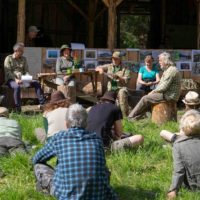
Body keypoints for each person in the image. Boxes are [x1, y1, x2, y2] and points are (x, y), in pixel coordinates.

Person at [32, 104, 118, 199]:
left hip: (66, 196)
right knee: (104, 170)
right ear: (86, 123)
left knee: (38, 166)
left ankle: (45, 187)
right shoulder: (97, 140)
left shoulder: (59, 138)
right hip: (98, 196)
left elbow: (37, 158)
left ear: (66, 123)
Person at [128, 52, 181, 120]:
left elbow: (164, 87)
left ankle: (131, 116)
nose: (159, 62)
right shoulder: (168, 70)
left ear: (165, 61)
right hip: (167, 94)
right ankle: (138, 117)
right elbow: (161, 84)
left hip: (169, 96)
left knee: (145, 98)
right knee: (147, 98)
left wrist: (153, 91)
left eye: (160, 60)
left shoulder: (171, 70)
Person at [165, 110, 200, 199]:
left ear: (183, 128)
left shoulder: (178, 145)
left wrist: (173, 190)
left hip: (196, 186)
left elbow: (179, 170)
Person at [4, 42, 46, 112]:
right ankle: (18, 108)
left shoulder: (24, 59)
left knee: (36, 83)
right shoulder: (8, 58)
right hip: (11, 80)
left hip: (22, 79)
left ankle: (43, 104)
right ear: (16, 50)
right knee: (17, 86)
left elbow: (26, 71)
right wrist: (16, 80)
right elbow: (8, 72)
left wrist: (27, 77)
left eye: (23, 51)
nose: (23, 52)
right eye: (21, 51)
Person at [96, 51, 131, 117]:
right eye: (113, 58)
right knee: (106, 99)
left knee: (122, 94)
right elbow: (97, 67)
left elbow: (127, 79)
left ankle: (124, 116)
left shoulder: (126, 68)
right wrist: (100, 69)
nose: (114, 60)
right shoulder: (109, 66)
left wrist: (119, 77)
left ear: (120, 59)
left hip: (121, 87)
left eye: (116, 59)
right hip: (111, 88)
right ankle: (108, 116)